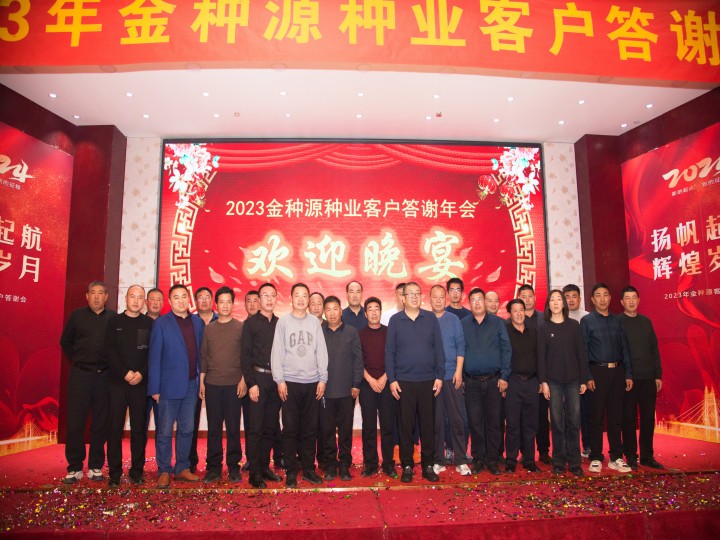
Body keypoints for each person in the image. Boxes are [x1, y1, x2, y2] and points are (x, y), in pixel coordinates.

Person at [386, 281, 445, 483]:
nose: (414, 296)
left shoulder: (430, 318)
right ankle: (407, 466)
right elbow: (389, 352)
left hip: (428, 380)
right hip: (404, 382)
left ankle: (428, 465)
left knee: (428, 426)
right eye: (409, 293)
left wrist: (440, 376)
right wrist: (392, 379)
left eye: (417, 293)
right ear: (403, 298)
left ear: (421, 297)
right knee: (405, 427)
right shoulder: (395, 320)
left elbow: (439, 349)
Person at [271, 283, 328, 488]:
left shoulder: (314, 322)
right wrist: (280, 380)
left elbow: (321, 351)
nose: (302, 299)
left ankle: (309, 469)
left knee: (310, 429)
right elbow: (277, 352)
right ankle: (291, 471)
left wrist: (322, 379)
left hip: (312, 382)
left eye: (305, 295)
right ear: (291, 299)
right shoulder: (283, 322)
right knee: (290, 429)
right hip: (290, 383)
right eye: (298, 295)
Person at [148, 283, 204, 488]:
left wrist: (201, 381)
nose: (181, 301)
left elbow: (201, 354)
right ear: (170, 301)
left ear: (189, 299)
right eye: (176, 297)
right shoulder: (161, 323)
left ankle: (182, 467)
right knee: (164, 431)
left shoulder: (197, 322)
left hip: (191, 385)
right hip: (168, 386)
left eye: (184, 297)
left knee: (187, 429)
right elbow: (154, 357)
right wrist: (155, 388)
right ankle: (164, 470)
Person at [59, 281, 116, 484]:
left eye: (101, 293)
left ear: (106, 297)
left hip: (104, 376)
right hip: (81, 375)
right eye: (93, 293)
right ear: (87, 296)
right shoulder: (77, 316)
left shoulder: (113, 318)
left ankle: (95, 466)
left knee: (101, 421)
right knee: (76, 421)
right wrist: (78, 358)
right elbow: (65, 341)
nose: (97, 297)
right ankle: (74, 467)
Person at [581, 283, 633, 474]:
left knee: (615, 417)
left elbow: (625, 348)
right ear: (592, 299)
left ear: (610, 298)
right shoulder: (587, 321)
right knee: (595, 417)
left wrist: (628, 373)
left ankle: (616, 457)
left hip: (617, 372)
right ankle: (596, 456)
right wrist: (587, 376)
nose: (602, 299)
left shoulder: (617, 321)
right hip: (597, 373)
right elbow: (583, 350)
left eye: (605, 295)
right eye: (598, 295)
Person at [104, 285, 153, 487]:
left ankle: (136, 471)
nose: (136, 300)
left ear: (144, 302)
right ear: (126, 298)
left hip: (140, 384)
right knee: (114, 428)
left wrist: (141, 373)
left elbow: (152, 353)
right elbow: (109, 351)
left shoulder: (149, 323)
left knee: (139, 429)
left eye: (140, 297)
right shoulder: (114, 321)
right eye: (133, 296)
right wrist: (124, 373)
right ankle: (114, 473)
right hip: (117, 382)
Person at [538, 290, 589, 476]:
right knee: (557, 423)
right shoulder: (543, 328)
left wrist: (583, 379)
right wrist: (544, 382)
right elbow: (541, 358)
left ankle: (574, 462)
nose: (556, 302)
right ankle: (558, 462)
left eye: (559, 299)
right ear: (548, 305)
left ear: (563, 304)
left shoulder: (574, 325)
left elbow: (581, 353)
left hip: (573, 381)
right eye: (552, 300)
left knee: (574, 422)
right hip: (554, 382)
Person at [461, 287, 511, 476]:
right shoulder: (463, 324)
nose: (477, 303)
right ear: (469, 303)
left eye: (480, 299)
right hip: (471, 382)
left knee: (493, 422)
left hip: (494, 381)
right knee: (475, 422)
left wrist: (505, 376)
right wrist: (461, 375)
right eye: (473, 300)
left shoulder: (498, 323)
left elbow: (506, 349)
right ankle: (478, 459)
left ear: (485, 301)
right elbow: (459, 350)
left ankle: (492, 460)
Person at [199, 286, 246, 483]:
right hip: (212, 384)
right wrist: (202, 382)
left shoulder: (241, 327)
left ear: (233, 304)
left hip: (234, 384)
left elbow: (246, 357)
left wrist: (243, 380)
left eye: (228, 302)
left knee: (234, 428)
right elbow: (204, 357)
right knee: (214, 428)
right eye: (221, 302)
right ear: (216, 304)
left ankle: (234, 467)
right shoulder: (209, 328)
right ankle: (214, 467)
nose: (225, 305)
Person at [241, 282, 283, 488]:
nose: (269, 299)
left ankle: (265, 467)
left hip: (276, 380)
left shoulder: (281, 324)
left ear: (276, 299)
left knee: (270, 427)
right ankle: (254, 472)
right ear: (259, 300)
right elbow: (245, 356)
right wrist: (251, 383)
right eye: (265, 295)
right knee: (256, 429)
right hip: (258, 380)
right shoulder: (250, 324)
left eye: (272, 295)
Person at [619, 286, 664, 470]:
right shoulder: (618, 322)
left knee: (647, 418)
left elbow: (654, 349)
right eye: (627, 298)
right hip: (628, 379)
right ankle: (630, 455)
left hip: (648, 377)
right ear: (622, 302)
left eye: (634, 298)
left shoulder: (646, 322)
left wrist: (657, 375)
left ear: (638, 300)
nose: (631, 301)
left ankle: (647, 456)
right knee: (628, 418)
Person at [429, 285, 471, 476]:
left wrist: (459, 371)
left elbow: (460, 345)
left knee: (457, 419)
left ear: (445, 299)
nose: (438, 300)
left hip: (453, 375)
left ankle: (461, 459)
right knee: (436, 421)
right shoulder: (426, 319)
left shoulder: (453, 319)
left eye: (441, 297)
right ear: (429, 299)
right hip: (433, 379)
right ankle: (438, 460)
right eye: (435, 297)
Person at [321, 295, 363, 481]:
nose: (332, 313)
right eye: (328, 309)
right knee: (327, 430)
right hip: (325, 391)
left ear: (341, 311)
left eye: (335, 309)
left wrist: (356, 383)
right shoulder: (319, 332)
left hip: (347, 390)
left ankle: (345, 464)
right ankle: (331, 464)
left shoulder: (351, 332)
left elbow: (358, 360)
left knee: (345, 430)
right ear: (324, 312)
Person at [358, 297, 397, 478]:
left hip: (387, 384)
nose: (374, 312)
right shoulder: (359, 334)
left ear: (381, 312)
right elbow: (357, 361)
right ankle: (371, 464)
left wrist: (384, 377)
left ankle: (388, 464)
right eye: (370, 309)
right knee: (369, 427)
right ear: (365, 314)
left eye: (377, 309)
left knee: (388, 426)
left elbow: (395, 357)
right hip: (367, 385)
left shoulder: (390, 332)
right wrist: (370, 380)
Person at [504, 299, 541, 473]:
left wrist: (541, 380)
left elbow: (540, 357)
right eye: (515, 310)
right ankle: (511, 460)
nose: (519, 314)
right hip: (513, 382)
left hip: (532, 382)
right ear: (510, 314)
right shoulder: (505, 332)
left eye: (521, 310)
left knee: (530, 424)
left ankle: (529, 459)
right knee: (512, 424)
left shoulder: (534, 331)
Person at [518, 284, 550, 465]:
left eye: (530, 296)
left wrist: (543, 378)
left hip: (542, 376)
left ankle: (544, 451)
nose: (527, 299)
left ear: (535, 298)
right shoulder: (513, 321)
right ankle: (525, 452)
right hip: (523, 377)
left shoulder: (544, 319)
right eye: (523, 296)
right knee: (523, 418)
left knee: (542, 417)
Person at [563, 283, 591, 458]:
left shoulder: (587, 318)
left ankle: (588, 445)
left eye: (574, 296)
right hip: (567, 374)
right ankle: (568, 447)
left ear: (580, 298)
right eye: (567, 297)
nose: (571, 300)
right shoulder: (560, 319)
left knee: (586, 411)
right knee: (568, 413)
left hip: (585, 371)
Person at [144, 287, 163, 442]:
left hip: (163, 382)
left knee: (163, 425)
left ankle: (161, 456)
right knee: (140, 424)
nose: (155, 303)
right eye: (152, 299)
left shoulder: (167, 324)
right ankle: (139, 456)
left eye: (159, 300)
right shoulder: (139, 322)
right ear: (146, 302)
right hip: (142, 381)